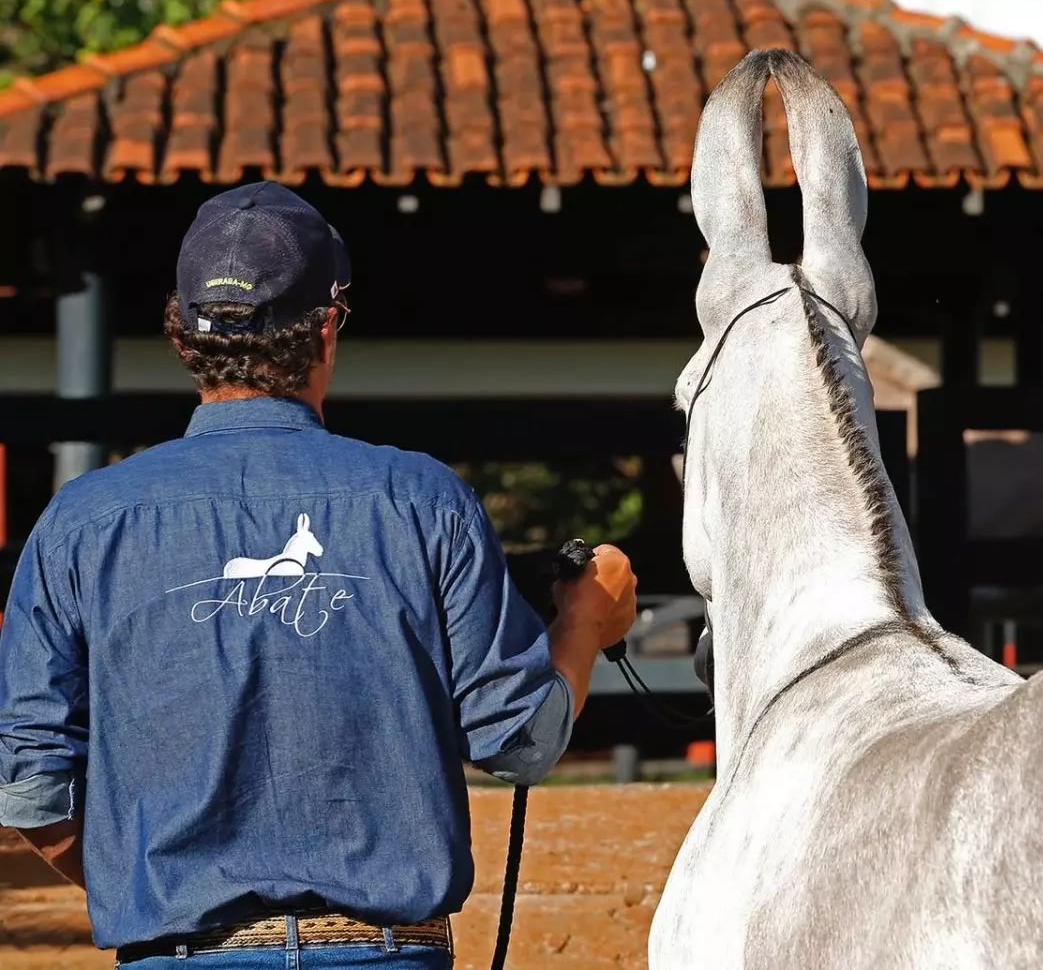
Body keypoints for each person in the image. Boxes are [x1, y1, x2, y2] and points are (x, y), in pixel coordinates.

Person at [0, 181, 638, 968]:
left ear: (181, 337)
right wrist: (585, 621)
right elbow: (523, 742)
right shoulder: (422, 500)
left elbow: (31, 788)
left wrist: (149, 888)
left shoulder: (81, 523)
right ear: (328, 327)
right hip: (383, 953)